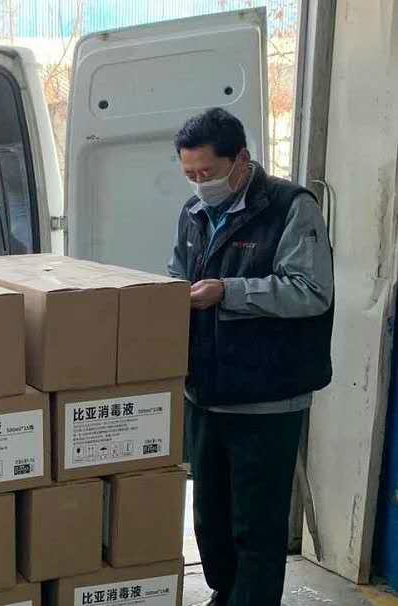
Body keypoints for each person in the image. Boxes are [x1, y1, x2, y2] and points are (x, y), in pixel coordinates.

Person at [168, 108, 334, 606]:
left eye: (207, 172)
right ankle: (225, 595)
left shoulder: (289, 207)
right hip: (206, 393)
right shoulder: (194, 212)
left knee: (255, 526)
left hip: (266, 399)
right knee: (210, 521)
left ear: (240, 160)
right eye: (190, 175)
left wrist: (229, 291)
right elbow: (176, 275)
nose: (200, 184)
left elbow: (311, 291)